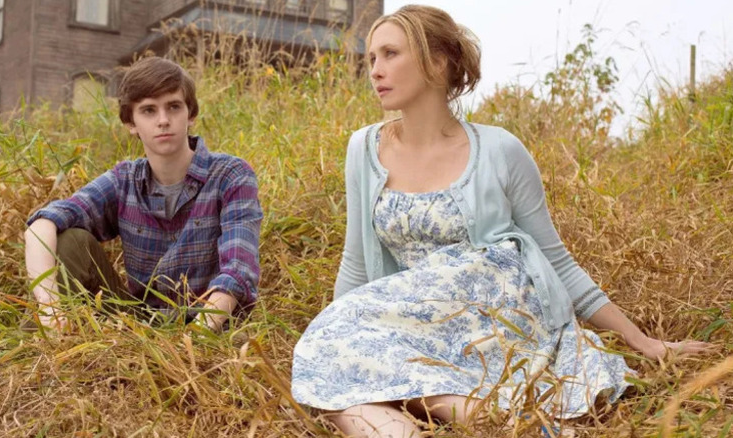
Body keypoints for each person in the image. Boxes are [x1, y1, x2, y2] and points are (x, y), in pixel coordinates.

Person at [291, 5, 712, 437]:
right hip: (414, 319)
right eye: (371, 58)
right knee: (322, 370)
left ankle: (482, 411)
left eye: (390, 54)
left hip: (492, 319)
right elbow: (356, 264)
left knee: (340, 371)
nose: (376, 70)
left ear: (437, 62)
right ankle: (466, 420)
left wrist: (644, 341)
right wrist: (334, 330)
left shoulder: (499, 150)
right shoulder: (363, 149)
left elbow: (556, 260)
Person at [24, 57, 262, 331]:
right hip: (140, 325)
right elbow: (42, 224)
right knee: (69, 240)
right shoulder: (125, 180)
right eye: (149, 110)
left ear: (191, 114)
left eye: (173, 107)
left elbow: (238, 271)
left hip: (212, 328)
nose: (163, 120)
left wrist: (194, 341)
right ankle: (42, 352)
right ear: (131, 123)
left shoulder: (231, 175)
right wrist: (48, 306)